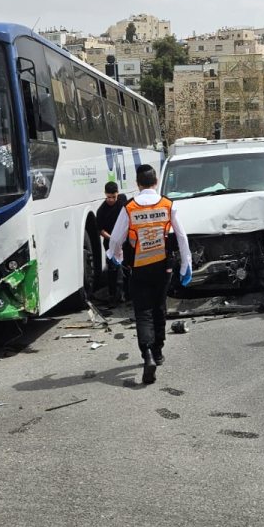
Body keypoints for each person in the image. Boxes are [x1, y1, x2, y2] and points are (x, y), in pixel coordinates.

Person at [107, 164, 192, 385]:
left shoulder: (130, 208)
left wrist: (115, 255)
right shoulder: (168, 205)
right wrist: (186, 265)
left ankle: (147, 355)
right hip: (163, 266)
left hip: (139, 267)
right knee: (159, 307)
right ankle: (159, 351)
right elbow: (182, 237)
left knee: (143, 311)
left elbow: (116, 238)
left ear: (137, 183)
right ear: (155, 182)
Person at [95, 181, 129, 303]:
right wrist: (112, 239)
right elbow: (100, 230)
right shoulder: (101, 210)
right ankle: (113, 294)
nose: (111, 200)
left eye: (113, 197)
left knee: (126, 267)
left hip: (124, 241)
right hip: (110, 242)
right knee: (112, 268)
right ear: (105, 194)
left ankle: (128, 293)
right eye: (108, 197)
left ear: (117, 194)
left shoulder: (122, 202)